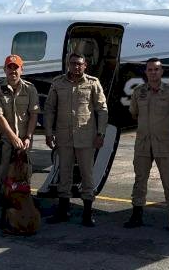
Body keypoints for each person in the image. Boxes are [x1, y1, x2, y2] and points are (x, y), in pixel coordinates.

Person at [44, 53, 108, 227]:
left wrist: (101, 133)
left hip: (86, 137)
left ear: (85, 65)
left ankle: (87, 213)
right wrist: (48, 133)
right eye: (73, 64)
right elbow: (49, 109)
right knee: (64, 173)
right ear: (68, 64)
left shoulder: (93, 83)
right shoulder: (58, 83)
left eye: (79, 64)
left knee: (87, 174)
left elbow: (102, 109)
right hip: (64, 137)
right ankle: (63, 211)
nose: (76, 67)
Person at [124, 58, 169, 230]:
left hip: (164, 143)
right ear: (146, 72)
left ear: (162, 72)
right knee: (140, 179)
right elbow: (134, 114)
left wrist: (164, 128)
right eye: (150, 69)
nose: (153, 72)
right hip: (143, 143)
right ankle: (136, 216)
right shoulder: (138, 92)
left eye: (156, 69)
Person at [0, 54, 39, 227]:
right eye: (10, 67)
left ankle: (14, 216)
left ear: (22, 69)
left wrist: (27, 137)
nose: (13, 71)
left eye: (16, 67)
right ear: (5, 69)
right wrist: (13, 138)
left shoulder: (30, 89)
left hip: (24, 143)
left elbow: (34, 114)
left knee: (21, 179)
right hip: (3, 141)